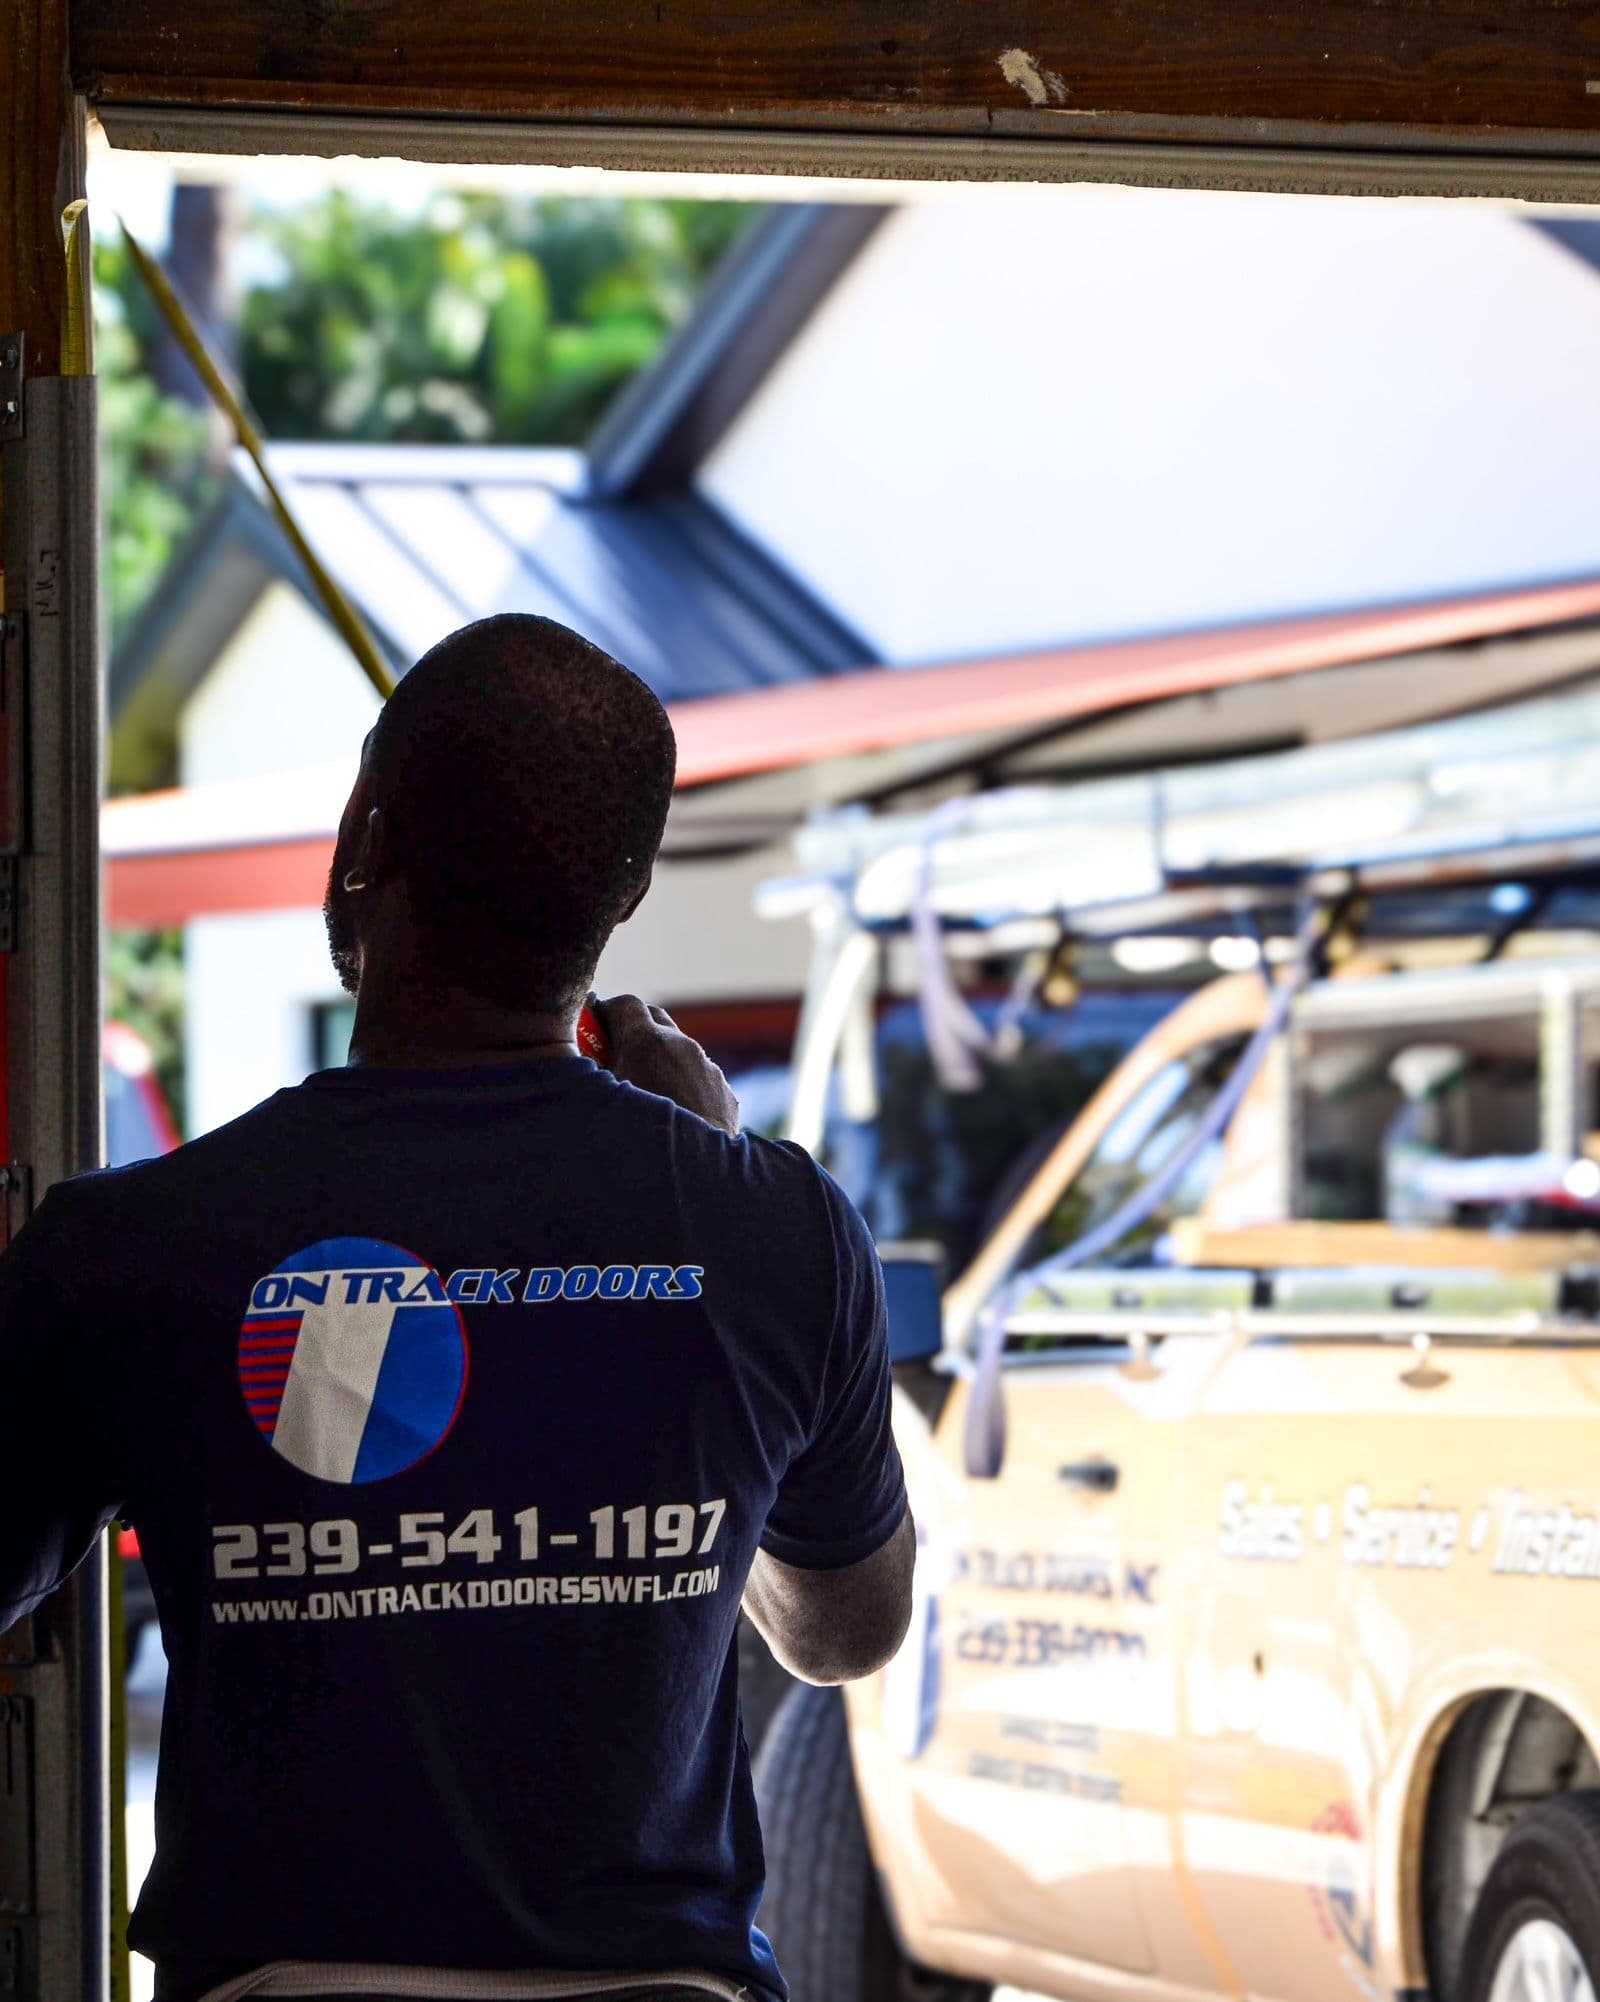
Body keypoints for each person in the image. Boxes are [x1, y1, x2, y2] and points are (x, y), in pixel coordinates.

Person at [0, 615, 914, 2002]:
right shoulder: (775, 1232)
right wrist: (703, 1188)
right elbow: (842, 1632)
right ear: (623, 898)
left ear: (365, 840)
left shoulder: (134, 1245)